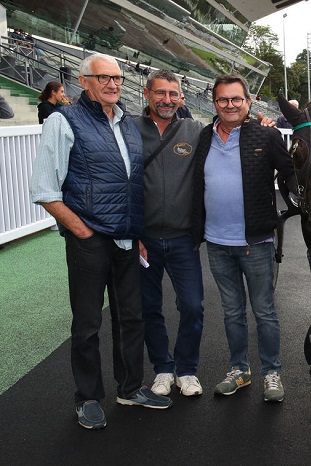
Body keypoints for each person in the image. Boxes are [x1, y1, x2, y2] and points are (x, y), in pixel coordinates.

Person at [29, 53, 172, 429]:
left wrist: (136, 232)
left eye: (118, 78)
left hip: (127, 240)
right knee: (88, 324)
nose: (113, 84)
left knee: (131, 318)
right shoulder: (63, 120)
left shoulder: (127, 123)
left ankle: (129, 388)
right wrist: (81, 231)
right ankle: (88, 397)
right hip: (88, 241)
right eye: (103, 77)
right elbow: (45, 189)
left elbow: (131, 185)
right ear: (84, 80)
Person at [191, 73, 294, 402]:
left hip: (256, 242)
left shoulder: (266, 134)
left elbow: (291, 174)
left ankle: (271, 372)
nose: (230, 105)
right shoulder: (205, 136)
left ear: (249, 103)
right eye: (223, 99)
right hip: (217, 243)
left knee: (264, 311)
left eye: (237, 99)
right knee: (232, 311)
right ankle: (240, 370)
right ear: (215, 103)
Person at [135, 70, 206, 397]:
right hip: (144, 238)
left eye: (173, 94)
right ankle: (163, 368)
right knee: (149, 307)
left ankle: (187, 369)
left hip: (182, 238)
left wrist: (257, 125)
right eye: (160, 93)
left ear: (181, 97)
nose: (167, 100)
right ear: (147, 93)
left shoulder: (195, 131)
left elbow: (230, 138)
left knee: (192, 306)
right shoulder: (129, 130)